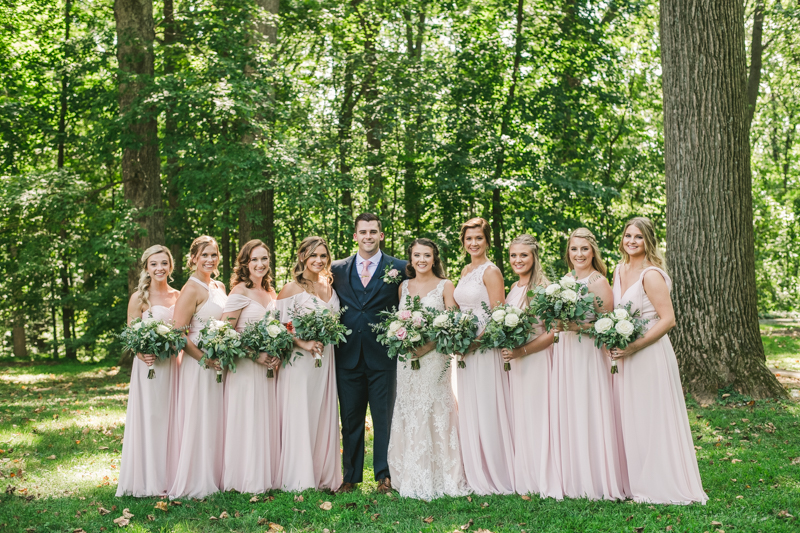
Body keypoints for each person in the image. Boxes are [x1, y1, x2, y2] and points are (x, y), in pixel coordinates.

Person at [610, 217, 707, 504]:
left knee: (651, 418)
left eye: (638, 237)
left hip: (649, 353)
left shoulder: (650, 275)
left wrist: (634, 346)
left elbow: (668, 320)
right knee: (633, 418)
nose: (631, 241)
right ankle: (637, 481)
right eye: (628, 235)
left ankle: (660, 484)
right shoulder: (620, 269)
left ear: (648, 241)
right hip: (626, 353)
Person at [331, 213, 407, 493]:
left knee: (384, 419)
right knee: (350, 420)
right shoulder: (337, 269)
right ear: (355, 236)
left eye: (373, 231)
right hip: (347, 355)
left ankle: (384, 477)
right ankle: (350, 478)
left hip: (384, 356)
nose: (368, 236)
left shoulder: (400, 267)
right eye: (363, 232)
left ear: (381, 235)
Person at [387, 238, 469, 500]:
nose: (421, 260)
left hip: (435, 359)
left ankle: (443, 474)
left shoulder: (446, 286)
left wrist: (426, 347)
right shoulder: (403, 287)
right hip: (407, 361)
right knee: (409, 405)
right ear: (410, 259)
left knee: (433, 405)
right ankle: (410, 473)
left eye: (427, 255)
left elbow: (453, 326)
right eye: (417, 255)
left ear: (435, 258)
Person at [550, 228, 627, 500]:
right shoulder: (565, 279)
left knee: (588, 407)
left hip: (588, 354)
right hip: (566, 352)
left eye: (584, 249)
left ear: (592, 251)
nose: (578, 254)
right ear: (568, 252)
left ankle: (595, 478)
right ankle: (573, 474)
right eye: (574, 249)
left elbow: (607, 328)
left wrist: (578, 325)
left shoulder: (598, 281)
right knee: (570, 408)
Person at [453, 217, 515, 495]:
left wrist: (475, 342)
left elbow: (497, 315)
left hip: (483, 349)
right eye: (469, 238)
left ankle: (494, 472)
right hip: (464, 350)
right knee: (470, 407)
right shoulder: (466, 269)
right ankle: (474, 467)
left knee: (487, 406)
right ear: (463, 242)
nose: (473, 243)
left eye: (478, 238)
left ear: (487, 241)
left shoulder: (492, 272)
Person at [275, 236, 342, 492]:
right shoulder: (291, 288)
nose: (318, 260)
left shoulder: (329, 285)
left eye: (323, 255)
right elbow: (279, 324)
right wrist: (301, 342)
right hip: (300, 362)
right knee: (301, 413)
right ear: (302, 256)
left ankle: (322, 475)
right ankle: (299, 478)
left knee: (321, 412)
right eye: (313, 255)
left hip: (326, 361)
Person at [501, 235, 562, 500]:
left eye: (523, 255)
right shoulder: (513, 288)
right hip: (517, 364)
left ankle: (544, 476)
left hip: (536, 360)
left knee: (540, 417)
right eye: (514, 255)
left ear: (534, 257)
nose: (517, 260)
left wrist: (521, 350)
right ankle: (525, 477)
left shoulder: (543, 289)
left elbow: (554, 333)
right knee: (522, 416)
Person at [117, 245, 181, 497]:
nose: (159, 268)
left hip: (174, 366)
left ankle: (172, 476)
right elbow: (131, 336)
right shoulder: (138, 299)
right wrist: (141, 352)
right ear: (146, 268)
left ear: (171, 266)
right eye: (154, 264)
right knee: (151, 418)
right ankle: (148, 479)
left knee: (173, 418)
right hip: (149, 367)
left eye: (164, 263)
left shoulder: (179, 295)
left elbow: (184, 330)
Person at [169, 236, 228, 499]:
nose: (210, 259)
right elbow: (178, 333)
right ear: (193, 258)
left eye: (214, 254)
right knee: (199, 416)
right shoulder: (190, 289)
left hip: (220, 361)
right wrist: (203, 358)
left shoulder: (219, 285)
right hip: (198, 364)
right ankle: (196, 478)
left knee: (216, 417)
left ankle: (217, 473)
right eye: (204, 255)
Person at [220, 240, 280, 493]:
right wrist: (255, 354)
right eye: (254, 259)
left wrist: (278, 350)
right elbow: (224, 333)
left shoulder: (271, 292)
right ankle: (245, 478)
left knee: (266, 418)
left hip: (270, 368)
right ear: (245, 263)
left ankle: (267, 474)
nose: (260, 264)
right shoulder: (239, 292)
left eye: (264, 259)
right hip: (245, 366)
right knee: (247, 418)